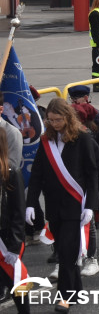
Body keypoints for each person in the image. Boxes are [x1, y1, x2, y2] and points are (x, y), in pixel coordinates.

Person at [27, 99, 99, 311]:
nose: (54, 124)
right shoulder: (46, 141)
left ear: (67, 117)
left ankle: (64, 297)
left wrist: (90, 205)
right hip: (54, 206)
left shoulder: (82, 139)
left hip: (75, 206)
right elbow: (37, 174)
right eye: (50, 120)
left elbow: (92, 174)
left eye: (58, 120)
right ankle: (76, 291)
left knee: (68, 254)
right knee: (62, 249)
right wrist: (31, 203)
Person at [0, 131, 27, 313]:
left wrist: (15, 245)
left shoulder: (10, 171)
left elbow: (18, 211)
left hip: (7, 238)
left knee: (18, 282)